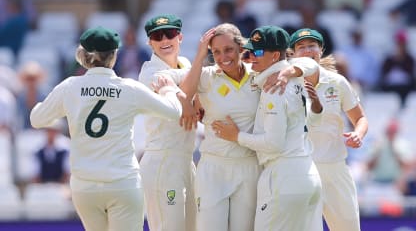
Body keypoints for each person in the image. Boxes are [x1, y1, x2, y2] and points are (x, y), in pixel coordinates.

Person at [30, 26, 184, 231]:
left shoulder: (70, 86)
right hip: (122, 183)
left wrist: (51, 103)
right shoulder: (128, 87)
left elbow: (36, 119)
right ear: (114, 55)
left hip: (85, 186)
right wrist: (167, 89)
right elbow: (174, 112)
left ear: (84, 55)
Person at [177, 23, 319, 231]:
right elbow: (179, 89)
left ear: (241, 49)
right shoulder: (206, 75)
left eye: (228, 50)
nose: (223, 56)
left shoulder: (261, 75)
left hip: (250, 166)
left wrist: (287, 71)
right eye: (215, 51)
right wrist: (198, 59)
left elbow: (311, 65)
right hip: (214, 167)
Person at [289, 28, 369, 231]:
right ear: (292, 53)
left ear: (321, 49)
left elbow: (360, 118)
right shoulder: (286, 83)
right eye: (301, 47)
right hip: (300, 170)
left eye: (311, 46)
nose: (307, 51)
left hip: (335, 168)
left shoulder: (337, 81)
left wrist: (358, 134)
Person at [138, 14, 196, 231]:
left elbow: (188, 77)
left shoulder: (186, 64)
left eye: (170, 34)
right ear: (149, 42)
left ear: (180, 37)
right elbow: (175, 78)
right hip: (162, 160)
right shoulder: (148, 72)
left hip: (186, 160)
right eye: (157, 36)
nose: (164, 41)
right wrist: (201, 71)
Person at [379, 29, 415, 108]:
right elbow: (384, 76)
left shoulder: (410, 59)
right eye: (399, 43)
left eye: (402, 43)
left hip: (406, 90)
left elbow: (410, 76)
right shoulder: (388, 59)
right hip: (390, 89)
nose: (400, 45)